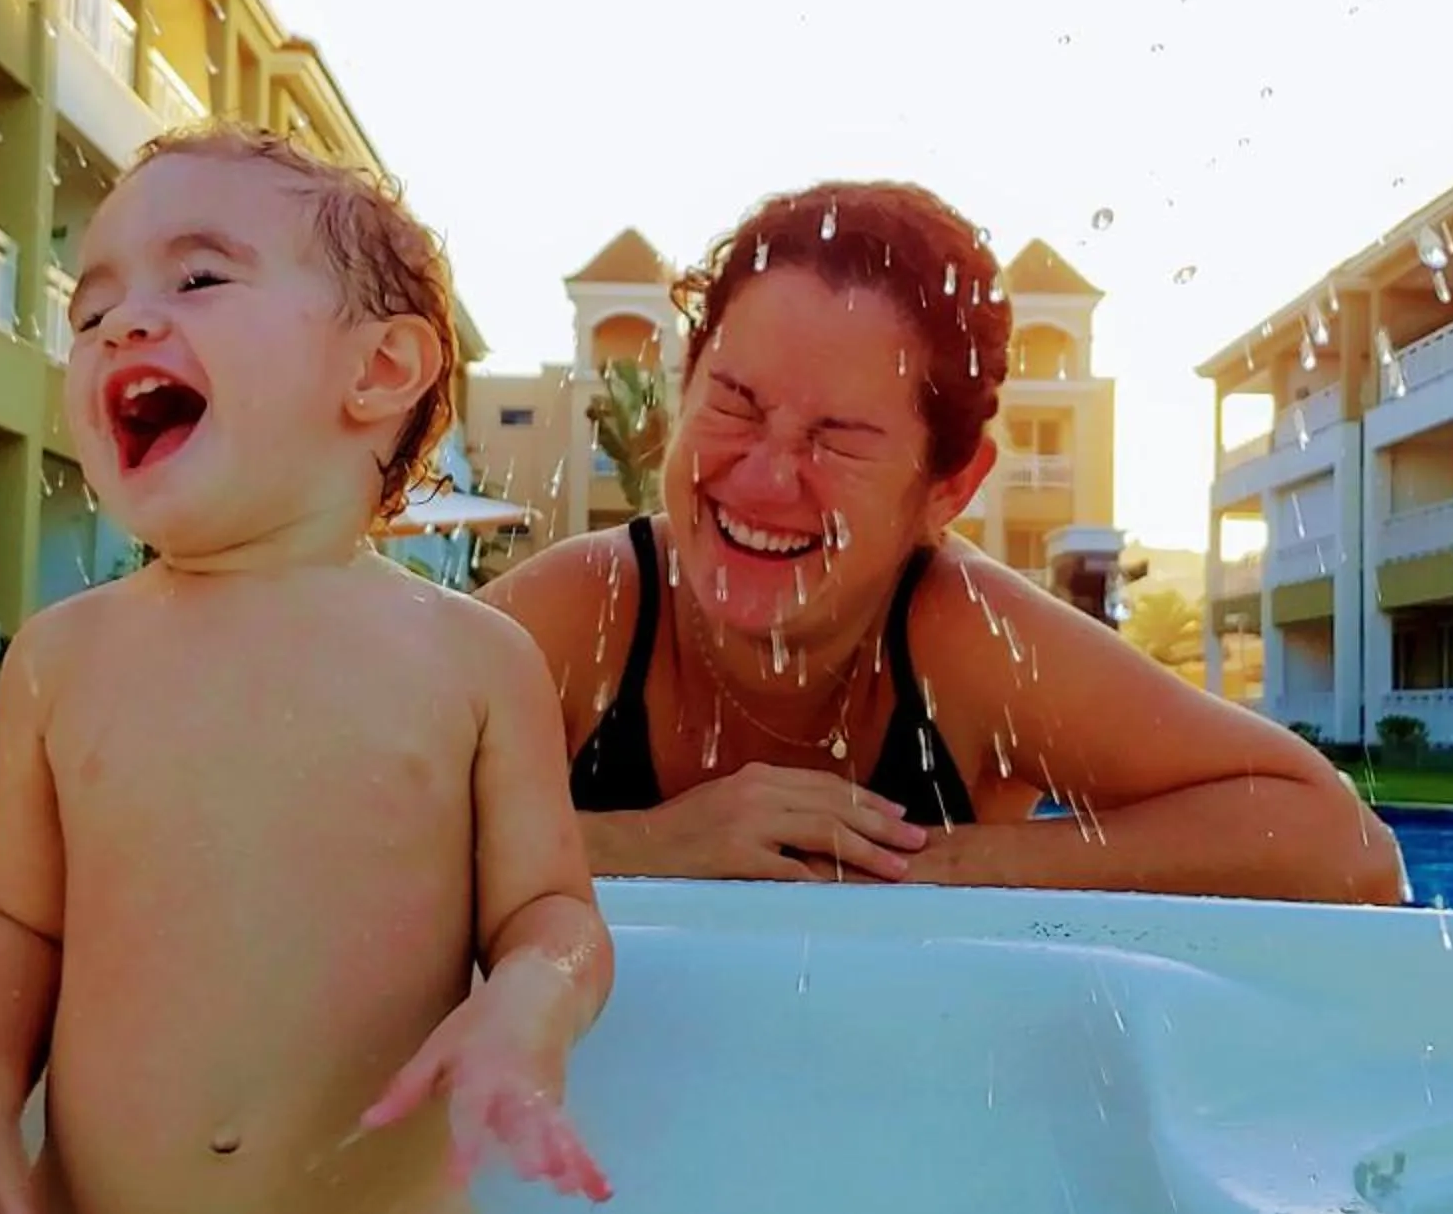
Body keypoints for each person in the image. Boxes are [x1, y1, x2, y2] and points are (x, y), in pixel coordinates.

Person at [0, 125, 615, 1214]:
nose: (121, 321)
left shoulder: (467, 657)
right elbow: (17, 928)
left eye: (201, 277)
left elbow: (551, 908)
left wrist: (528, 1003)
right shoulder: (64, 658)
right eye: (89, 311)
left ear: (378, 369)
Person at [482, 181, 1402, 901]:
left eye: (838, 439)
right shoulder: (586, 616)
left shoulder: (967, 643)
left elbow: (1343, 848)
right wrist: (651, 844)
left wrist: (912, 866)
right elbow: (342, 815)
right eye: (734, 403)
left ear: (948, 489)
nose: (763, 477)